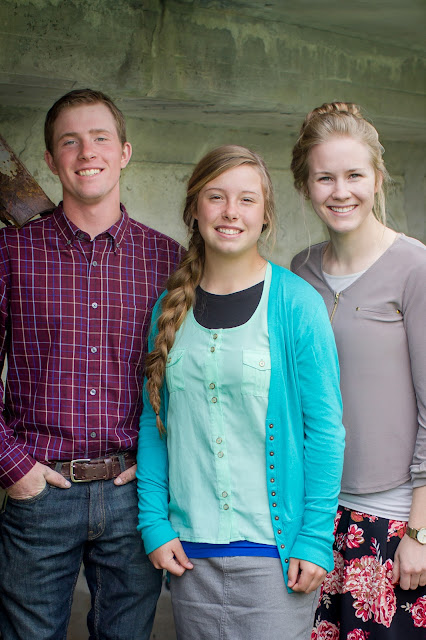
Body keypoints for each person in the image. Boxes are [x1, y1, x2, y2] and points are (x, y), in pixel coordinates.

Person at [136, 145, 345, 640]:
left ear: (265, 214)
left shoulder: (296, 304)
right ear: (194, 208)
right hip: (190, 556)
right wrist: (154, 524)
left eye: (247, 199)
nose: (231, 211)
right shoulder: (168, 308)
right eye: (216, 196)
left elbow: (325, 431)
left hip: (276, 558)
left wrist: (315, 538)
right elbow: (154, 422)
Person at [0, 89, 183, 640]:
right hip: (40, 490)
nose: (87, 152)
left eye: (101, 138)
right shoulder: (11, 253)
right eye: (70, 141)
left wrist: (162, 468)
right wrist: (14, 469)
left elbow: (188, 382)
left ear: (124, 152)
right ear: (51, 159)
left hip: (135, 494)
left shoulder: (168, 259)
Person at [290, 102, 426, 638]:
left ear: (377, 178)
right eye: (325, 177)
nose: (340, 191)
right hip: (317, 515)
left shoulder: (414, 267)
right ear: (305, 185)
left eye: (354, 175)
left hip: (394, 518)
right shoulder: (300, 271)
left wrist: (420, 532)